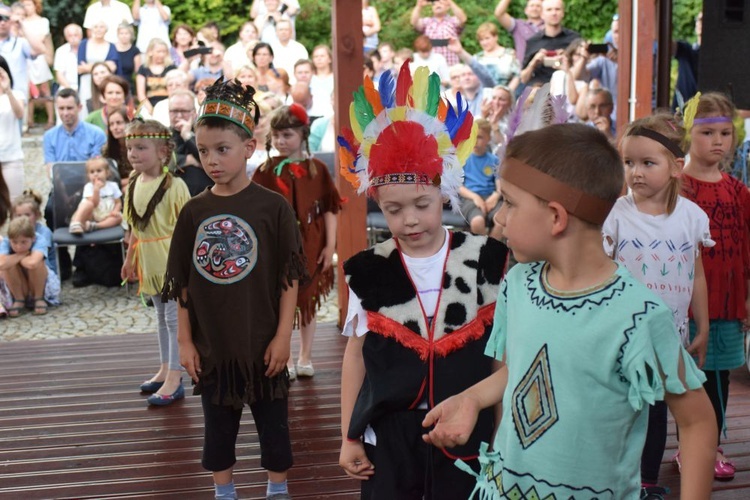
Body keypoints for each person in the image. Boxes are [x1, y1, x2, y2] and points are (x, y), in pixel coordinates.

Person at [421, 123, 716, 498]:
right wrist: (473, 399)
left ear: (557, 217)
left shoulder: (638, 318)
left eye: (509, 202)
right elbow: (523, 370)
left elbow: (697, 422)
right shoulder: (519, 286)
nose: (499, 218)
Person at [336, 63, 508, 498]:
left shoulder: (486, 259)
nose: (410, 219)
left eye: (422, 204)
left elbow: (501, 358)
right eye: (394, 209)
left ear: (444, 194)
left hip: (467, 432)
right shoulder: (368, 269)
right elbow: (356, 354)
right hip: (389, 440)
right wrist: (349, 434)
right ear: (377, 201)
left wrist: (505, 438)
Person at [162, 78, 306, 500]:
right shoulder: (193, 212)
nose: (212, 160)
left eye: (222, 149)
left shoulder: (273, 207)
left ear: (250, 147)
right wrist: (185, 342)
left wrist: (284, 337)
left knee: (275, 431)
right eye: (204, 151)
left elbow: (290, 278)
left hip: (264, 344)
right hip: (215, 348)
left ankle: (276, 490)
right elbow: (183, 284)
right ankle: (224, 492)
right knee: (218, 431)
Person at [602, 113, 712, 497]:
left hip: (669, 335)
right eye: (628, 162)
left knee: (658, 411)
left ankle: (647, 483)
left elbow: (695, 273)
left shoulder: (692, 219)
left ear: (676, 166)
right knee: (622, 410)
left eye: (648, 163)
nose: (635, 172)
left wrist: (703, 326)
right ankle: (618, 481)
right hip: (621, 333)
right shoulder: (616, 215)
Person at [680, 92, 750, 480]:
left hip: (727, 301)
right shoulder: (677, 186)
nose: (718, 141)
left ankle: (712, 447)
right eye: (708, 133)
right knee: (688, 377)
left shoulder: (739, 192)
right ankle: (688, 448)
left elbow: (747, 249)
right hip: (683, 301)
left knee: (719, 377)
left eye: (725, 132)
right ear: (690, 133)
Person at [253, 103, 342, 380]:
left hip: (311, 243)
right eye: (277, 135)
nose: (281, 141)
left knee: (308, 298)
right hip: (277, 246)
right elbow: (255, 213)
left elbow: (330, 207)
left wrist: (330, 246)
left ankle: (305, 356)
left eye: (287, 135)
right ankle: (287, 356)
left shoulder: (316, 169)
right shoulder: (265, 171)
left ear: (303, 135)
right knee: (281, 301)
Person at [120, 119, 190, 405]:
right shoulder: (133, 184)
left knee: (174, 319)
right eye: (129, 148)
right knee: (161, 316)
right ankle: (164, 367)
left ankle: (176, 375)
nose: (133, 154)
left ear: (163, 152)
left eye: (141, 147)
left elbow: (188, 226)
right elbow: (135, 227)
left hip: (170, 258)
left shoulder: (175, 185)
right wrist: (129, 258)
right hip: (149, 260)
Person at [0, 215, 60, 317]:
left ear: (32, 238)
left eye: (23, 242)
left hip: (39, 281)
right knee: (6, 267)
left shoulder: (40, 239)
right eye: (14, 242)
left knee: (38, 264)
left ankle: (38, 298)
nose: (19, 246)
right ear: (9, 239)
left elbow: (32, 263)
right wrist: (23, 254)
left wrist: (14, 259)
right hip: (18, 282)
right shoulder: (6, 242)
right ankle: (19, 299)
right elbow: (1, 264)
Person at [458, 119, 503, 239]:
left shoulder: (494, 160)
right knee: (477, 222)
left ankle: (490, 250)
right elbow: (458, 186)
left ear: (488, 138)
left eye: (479, 137)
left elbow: (500, 187)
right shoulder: (463, 159)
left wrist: (495, 197)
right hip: (470, 198)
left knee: (502, 221)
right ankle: (483, 250)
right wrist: (475, 197)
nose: (474, 141)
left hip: (490, 196)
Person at [520, 0, 580, 88]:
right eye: (549, 10)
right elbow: (523, 79)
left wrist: (567, 57)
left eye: (557, 9)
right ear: (542, 14)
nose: (554, 13)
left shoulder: (574, 39)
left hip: (567, 87)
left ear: (563, 13)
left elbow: (583, 72)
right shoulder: (533, 41)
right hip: (539, 89)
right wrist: (534, 62)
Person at [168, 89, 213, 197]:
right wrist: (187, 160)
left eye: (184, 111)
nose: (179, 116)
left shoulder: (207, 133)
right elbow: (162, 167)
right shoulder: (162, 136)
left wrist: (187, 136)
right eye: (174, 111)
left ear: (194, 113)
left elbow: (210, 160)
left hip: (205, 196)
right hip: (172, 197)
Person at [0, 3, 46, 100]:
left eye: (6, 18)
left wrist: (22, 25)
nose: (2, 22)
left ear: (11, 20)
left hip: (17, 98)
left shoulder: (20, 42)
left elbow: (40, 49)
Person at [22, 0, 55, 130]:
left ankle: (50, 120)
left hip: (40, 57)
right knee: (28, 89)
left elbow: (41, 39)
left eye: (29, 5)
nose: (27, 8)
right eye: (24, 5)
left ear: (35, 6)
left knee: (44, 88)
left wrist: (30, 39)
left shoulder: (43, 21)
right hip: (26, 58)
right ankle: (28, 120)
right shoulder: (22, 22)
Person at [68, 157, 123, 234]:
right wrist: (96, 190)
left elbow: (118, 202)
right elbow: (94, 203)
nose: (95, 174)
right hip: (92, 215)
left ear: (107, 173)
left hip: (107, 214)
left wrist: (115, 210)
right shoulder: (89, 187)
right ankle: (76, 223)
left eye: (99, 171)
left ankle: (96, 226)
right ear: (88, 175)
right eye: (92, 172)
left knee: (119, 218)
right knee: (88, 204)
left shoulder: (113, 186)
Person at [11, 190, 57, 277]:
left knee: (36, 264)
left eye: (27, 215)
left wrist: (15, 258)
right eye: (19, 215)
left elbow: (35, 261)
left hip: (44, 274)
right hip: (25, 269)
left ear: (37, 215)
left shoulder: (44, 233)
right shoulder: (14, 231)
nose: (23, 219)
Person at [410, 0, 467, 67]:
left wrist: (451, 3)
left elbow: (463, 19)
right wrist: (418, 6)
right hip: (431, 62)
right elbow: (413, 22)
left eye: (441, 3)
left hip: (451, 61)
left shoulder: (453, 20)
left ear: (447, 7)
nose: (437, 5)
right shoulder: (427, 22)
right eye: (434, 4)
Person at [77, 20, 119, 106]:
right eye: (96, 27)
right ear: (91, 29)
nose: (98, 29)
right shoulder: (83, 44)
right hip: (86, 83)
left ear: (106, 30)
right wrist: (104, 65)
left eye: (101, 27)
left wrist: (88, 67)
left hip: (105, 82)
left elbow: (112, 67)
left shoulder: (112, 46)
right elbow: (80, 68)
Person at [0, 57, 25, 202]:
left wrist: (7, 90)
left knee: (15, 202)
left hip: (11, 156)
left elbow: (19, 113)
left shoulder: (16, 94)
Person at [474, 21, 520, 92]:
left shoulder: (509, 54)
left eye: (487, 38)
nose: (484, 42)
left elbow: (517, 76)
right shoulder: (476, 58)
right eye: (481, 40)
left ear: (496, 37)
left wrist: (507, 93)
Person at [494, 0, 544, 64]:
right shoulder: (518, 25)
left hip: (545, 70)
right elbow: (499, 14)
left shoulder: (550, 27)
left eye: (538, 6)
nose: (535, 8)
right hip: (523, 69)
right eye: (532, 6)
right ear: (526, 10)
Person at [136, 38, 176, 115]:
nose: (161, 54)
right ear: (150, 52)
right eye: (158, 52)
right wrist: (151, 110)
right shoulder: (143, 69)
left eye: (164, 52)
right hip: (148, 105)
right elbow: (141, 94)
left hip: (168, 105)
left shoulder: (171, 68)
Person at [270, 19, 307, 84]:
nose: (283, 32)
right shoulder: (270, 48)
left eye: (286, 29)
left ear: (291, 31)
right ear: (276, 32)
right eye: (281, 29)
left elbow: (304, 67)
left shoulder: (299, 48)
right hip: (275, 84)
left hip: (296, 84)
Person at [102, 106, 132, 186]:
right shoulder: (106, 149)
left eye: (119, 123)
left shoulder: (140, 146)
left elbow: (145, 173)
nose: (115, 127)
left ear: (129, 123)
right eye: (111, 124)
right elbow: (106, 177)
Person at [53, 24, 83, 92]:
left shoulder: (87, 48)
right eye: (70, 36)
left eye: (75, 35)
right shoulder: (61, 51)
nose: (73, 38)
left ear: (81, 36)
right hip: (66, 87)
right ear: (66, 37)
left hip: (86, 87)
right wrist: (70, 90)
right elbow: (59, 75)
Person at [308, 45, 334, 119]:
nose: (319, 59)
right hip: (312, 115)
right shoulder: (309, 78)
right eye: (316, 56)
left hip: (330, 115)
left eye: (322, 56)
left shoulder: (335, 78)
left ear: (330, 59)